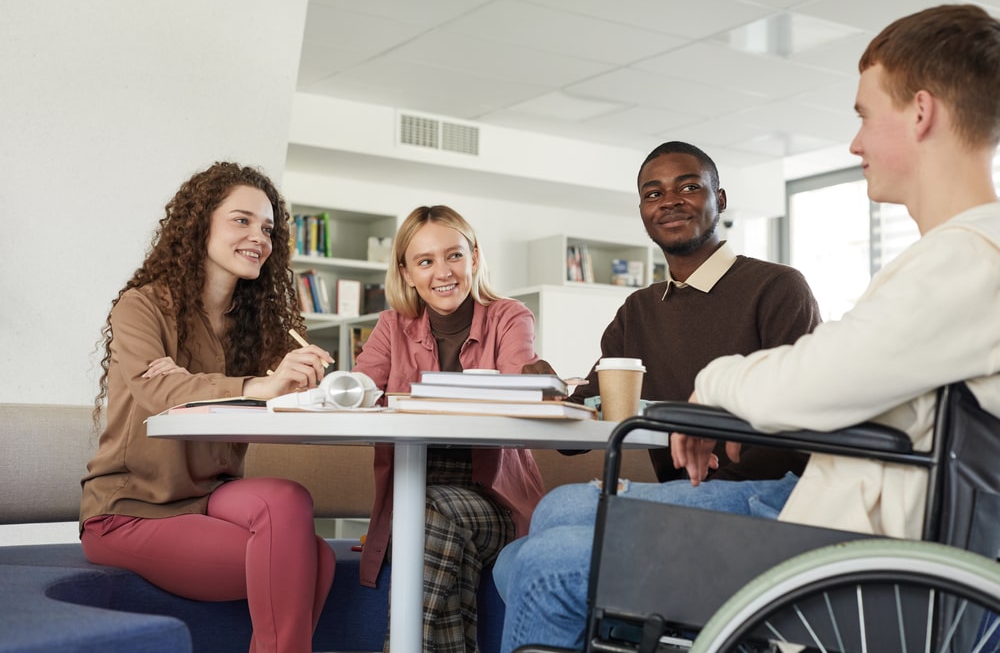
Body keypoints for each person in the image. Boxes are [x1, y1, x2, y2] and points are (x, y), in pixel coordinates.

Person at [500, 3, 1000, 652]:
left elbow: (808, 381)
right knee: (550, 527)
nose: (855, 142)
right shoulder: (954, 256)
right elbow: (829, 367)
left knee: (540, 567)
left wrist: (711, 383)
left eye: (864, 115)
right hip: (838, 519)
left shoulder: (966, 262)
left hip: (852, 559)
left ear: (921, 112)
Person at [491, 140, 822, 597]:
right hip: (683, 498)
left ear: (719, 200)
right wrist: (548, 391)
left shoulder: (777, 287)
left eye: (688, 186)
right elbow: (593, 403)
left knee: (559, 509)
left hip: (765, 495)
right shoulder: (639, 309)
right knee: (512, 560)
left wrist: (712, 469)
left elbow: (798, 416)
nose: (669, 201)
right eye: (652, 193)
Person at [80, 162, 336, 653]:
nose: (258, 237)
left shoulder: (256, 327)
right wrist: (256, 386)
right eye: (241, 221)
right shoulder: (143, 306)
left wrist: (302, 388)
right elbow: (158, 395)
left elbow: (254, 400)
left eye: (267, 228)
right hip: (132, 509)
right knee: (312, 560)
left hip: (209, 497)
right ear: (200, 226)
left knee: (289, 501)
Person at [352, 205, 546, 652]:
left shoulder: (509, 317)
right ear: (405, 273)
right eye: (425, 261)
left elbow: (519, 379)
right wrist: (344, 386)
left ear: (474, 258)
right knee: (431, 523)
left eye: (454, 256)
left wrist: (533, 377)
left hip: (493, 506)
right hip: (415, 507)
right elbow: (364, 382)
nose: (443, 272)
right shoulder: (390, 326)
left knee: (428, 513)